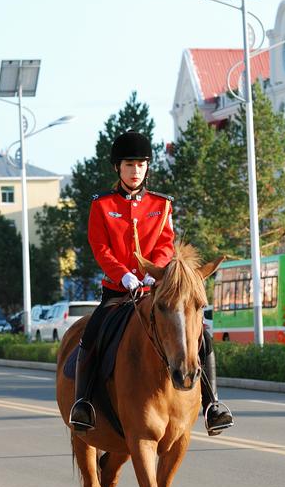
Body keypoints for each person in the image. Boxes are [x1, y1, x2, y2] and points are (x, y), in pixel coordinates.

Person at [69, 130, 234, 436]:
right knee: (91, 334)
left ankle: (213, 405)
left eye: (141, 165)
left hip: (154, 289)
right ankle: (83, 403)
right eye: (129, 165)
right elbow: (100, 248)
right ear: (118, 168)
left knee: (203, 337)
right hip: (118, 292)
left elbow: (165, 243)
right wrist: (124, 275)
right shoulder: (102, 206)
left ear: (147, 168)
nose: (135, 171)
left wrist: (152, 271)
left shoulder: (162, 205)